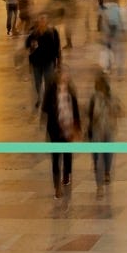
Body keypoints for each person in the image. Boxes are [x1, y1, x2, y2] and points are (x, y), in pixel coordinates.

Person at [43, 65, 80, 202]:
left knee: (68, 155)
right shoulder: (51, 92)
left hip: (68, 128)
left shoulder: (71, 91)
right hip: (54, 129)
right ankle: (57, 187)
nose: (65, 77)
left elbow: (75, 111)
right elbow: (45, 109)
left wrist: (77, 126)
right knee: (55, 159)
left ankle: (66, 173)